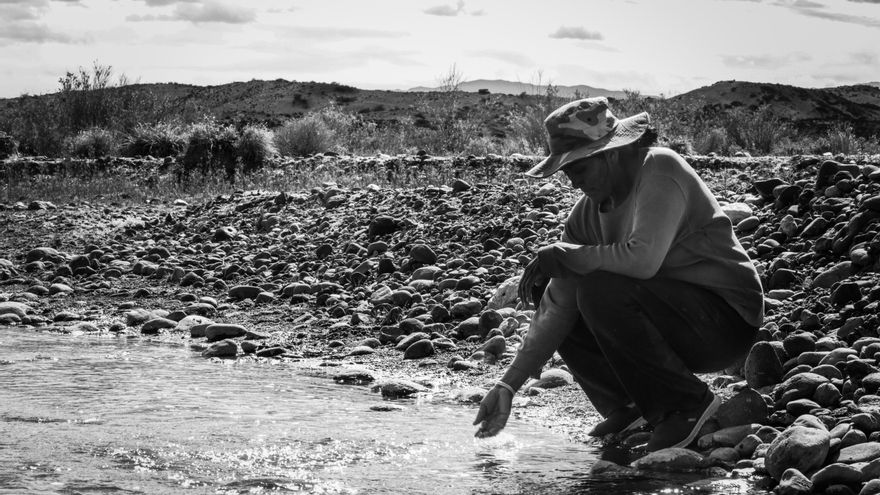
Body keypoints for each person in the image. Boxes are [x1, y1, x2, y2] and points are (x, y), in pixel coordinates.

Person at [472, 97, 764, 452]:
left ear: (609, 152)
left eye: (579, 170)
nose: (575, 183)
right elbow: (556, 307)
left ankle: (686, 406)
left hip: (724, 323)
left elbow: (643, 261)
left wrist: (570, 256)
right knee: (561, 286)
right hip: (670, 318)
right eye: (568, 173)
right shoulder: (585, 216)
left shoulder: (660, 168)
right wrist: (507, 386)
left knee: (598, 286)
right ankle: (627, 404)